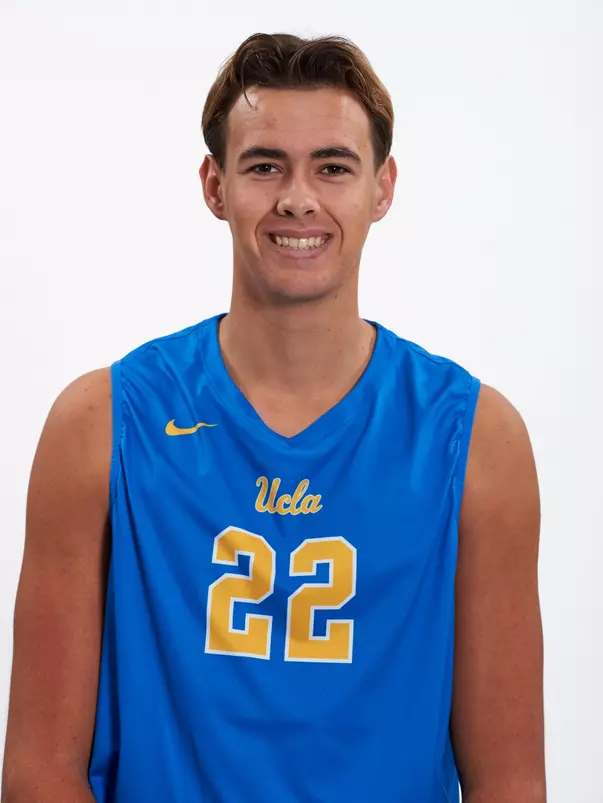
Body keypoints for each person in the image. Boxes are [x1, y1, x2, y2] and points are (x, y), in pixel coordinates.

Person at [1, 32, 546, 803]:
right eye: (264, 165)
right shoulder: (101, 425)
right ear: (214, 185)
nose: (298, 197)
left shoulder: (475, 440)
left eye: (332, 165)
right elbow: (36, 773)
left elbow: (510, 783)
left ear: (381, 188)